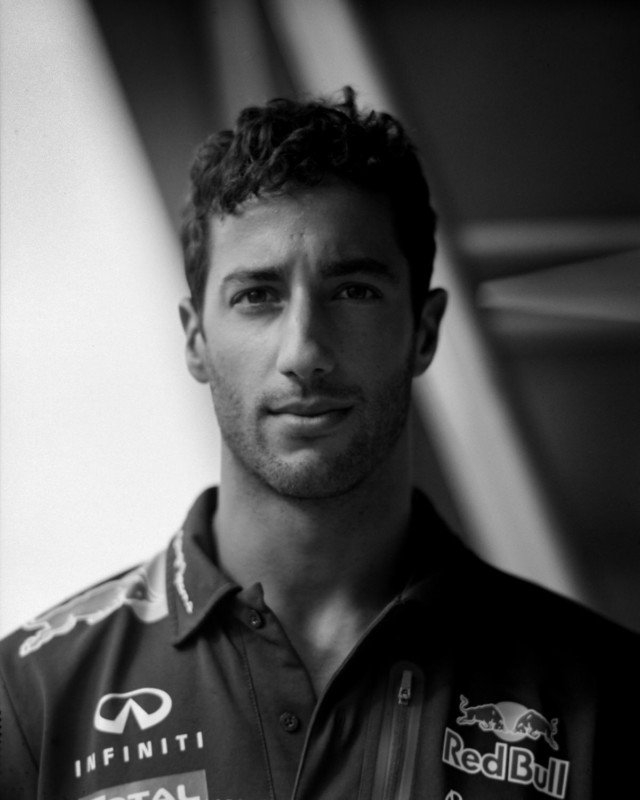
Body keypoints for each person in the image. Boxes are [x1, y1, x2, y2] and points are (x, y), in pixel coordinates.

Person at [0, 87, 638, 800]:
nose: (303, 351)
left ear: (424, 332)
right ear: (195, 339)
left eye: (353, 291)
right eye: (257, 296)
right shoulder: (30, 701)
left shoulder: (608, 702)